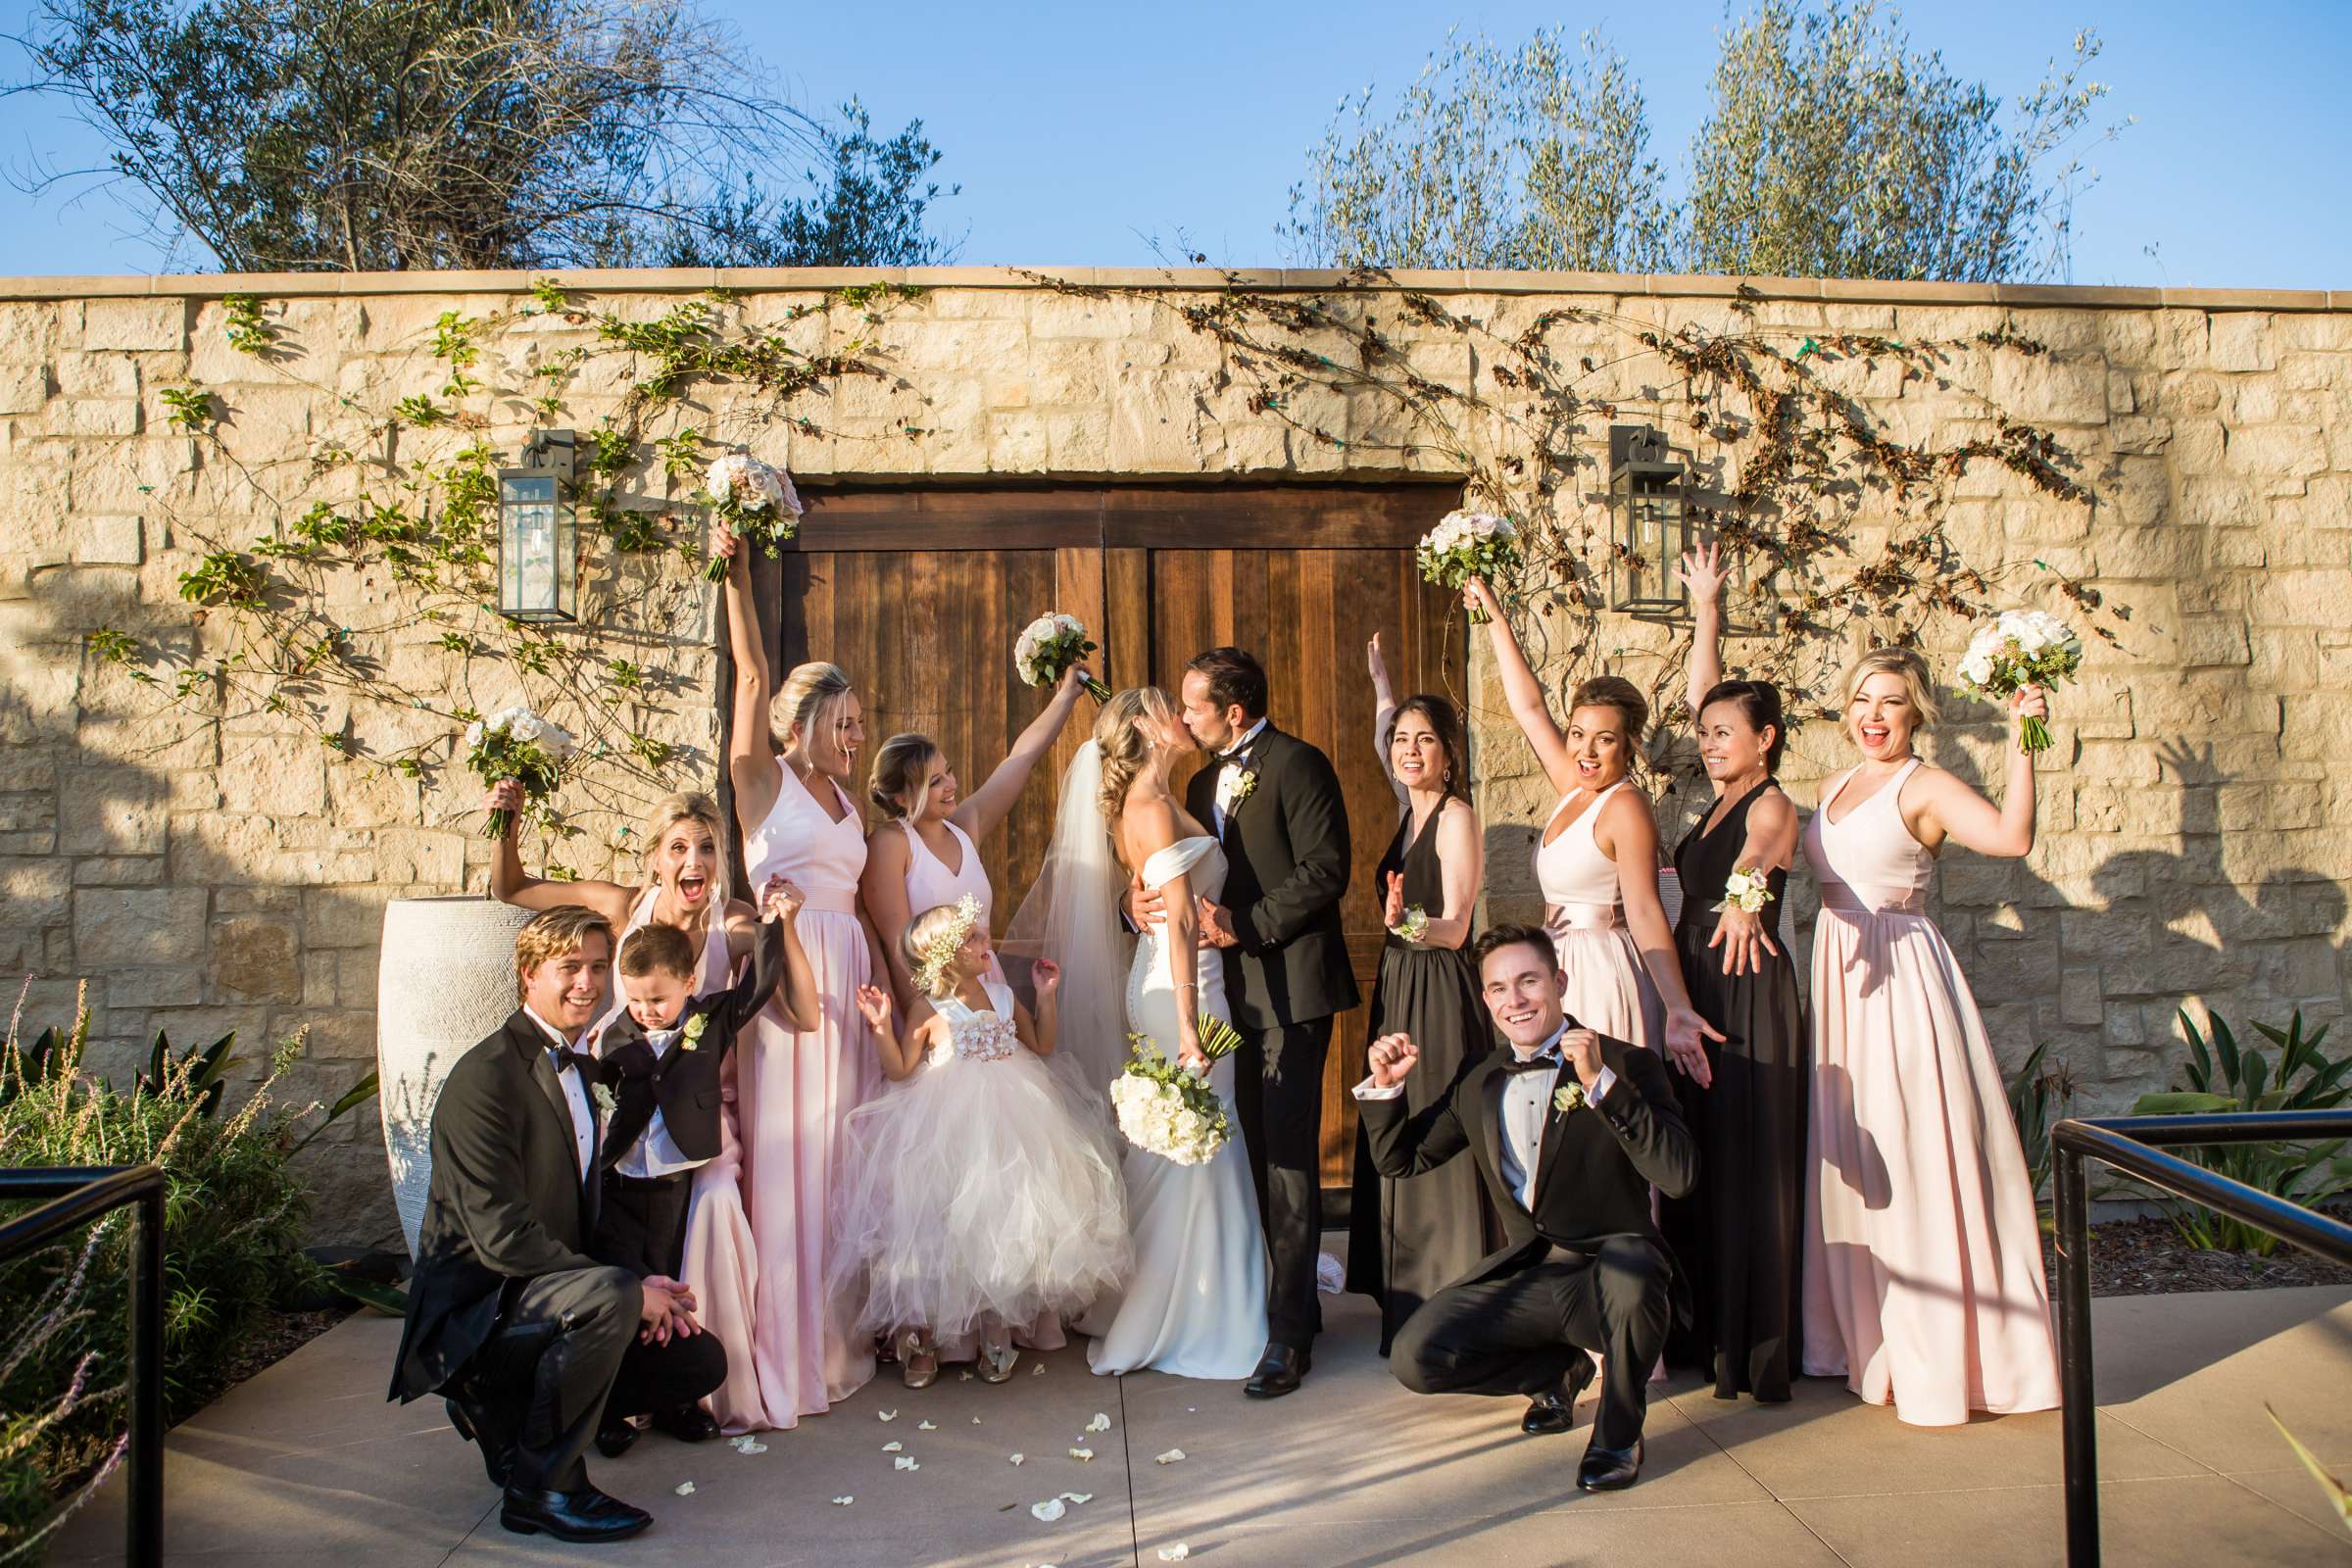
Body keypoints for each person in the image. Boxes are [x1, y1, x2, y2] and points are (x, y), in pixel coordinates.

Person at [388, 906, 719, 1544]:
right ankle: (543, 1487)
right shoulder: (486, 1079)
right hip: (478, 1311)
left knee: (697, 1360)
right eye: (569, 968)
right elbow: (501, 1236)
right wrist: (620, 1290)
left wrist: (638, 1280)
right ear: (529, 974)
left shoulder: (586, 1069)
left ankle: (512, 1411)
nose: (587, 983)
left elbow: (583, 1213)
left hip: (544, 1294)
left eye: (598, 968)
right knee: (612, 1300)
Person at [1801, 646, 2062, 1426]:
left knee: (1914, 1157)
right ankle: (1865, 1345)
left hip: (1902, 982)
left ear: (1916, 712)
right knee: (1852, 1156)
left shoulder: (1928, 785)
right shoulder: (1833, 785)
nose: (1872, 716)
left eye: (1889, 703)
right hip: (1838, 985)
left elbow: (2013, 838)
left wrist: (2028, 738)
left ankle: (1943, 1355)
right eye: (1861, 702)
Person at [1356, 925, 1698, 1493]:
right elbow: (1402, 1160)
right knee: (1416, 1357)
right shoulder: (1478, 1076)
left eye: (1528, 982)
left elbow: (1678, 1176)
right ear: (1485, 999)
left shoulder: (1628, 1064)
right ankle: (1557, 1373)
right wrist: (1387, 1087)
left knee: (1634, 1268)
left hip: (1614, 1275)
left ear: (1559, 982)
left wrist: (1602, 1086)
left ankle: (1617, 1434)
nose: (1513, 1001)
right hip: (1534, 1278)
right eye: (1497, 989)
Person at [1129, 647, 1355, 1398]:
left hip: (1292, 992)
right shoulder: (1196, 782)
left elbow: (1325, 870)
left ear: (1232, 709)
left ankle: (1290, 1336)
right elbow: (1177, 879)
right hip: (1226, 999)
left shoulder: (1299, 763)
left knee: (1289, 1161)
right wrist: (1133, 906)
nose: (1182, 716)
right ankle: (1269, 1301)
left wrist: (1245, 923)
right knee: (1248, 1156)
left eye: (1192, 705)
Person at [710, 520, 886, 1428]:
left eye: (860, 722)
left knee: (841, 1158)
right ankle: (784, 1353)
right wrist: (737, 573)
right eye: (845, 722)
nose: (858, 735)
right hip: (787, 982)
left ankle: (837, 1342)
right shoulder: (759, 781)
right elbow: (747, 674)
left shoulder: (849, 800)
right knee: (786, 1160)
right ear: (803, 722)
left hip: (848, 972)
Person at [827, 898, 1130, 1387]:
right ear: (946, 956)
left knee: (1000, 1224)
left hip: (1013, 1121)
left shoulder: (1004, 996)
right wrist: (882, 1026)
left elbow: (1043, 1046)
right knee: (936, 1226)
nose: (984, 941)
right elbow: (900, 1070)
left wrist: (1045, 994)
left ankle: (996, 1332)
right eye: (972, 938)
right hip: (946, 1126)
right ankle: (923, 1338)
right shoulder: (928, 1008)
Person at [1071, 687, 1271, 1380]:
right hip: (1183, 989)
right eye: (1167, 709)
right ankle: (1199, 1311)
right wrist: (1191, 1028)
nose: (1182, 718)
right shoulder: (1152, 808)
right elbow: (1183, 922)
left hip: (1163, 981)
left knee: (1177, 1151)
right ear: (1145, 730)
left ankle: (1180, 1292)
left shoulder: (1154, 798)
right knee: (1199, 1147)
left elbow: (1158, 904)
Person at [1657, 544, 1810, 1403]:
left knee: (1747, 1167)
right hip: (1703, 987)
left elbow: (1759, 859)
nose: (1711, 741)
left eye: (1726, 733)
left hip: (1747, 995)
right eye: (1707, 733)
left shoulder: (1772, 802)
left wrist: (1746, 899)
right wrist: (1706, 609)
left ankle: (1750, 1350)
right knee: (1703, 1161)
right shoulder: (1716, 792)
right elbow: (1701, 695)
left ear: (1766, 740)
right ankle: (1705, 1326)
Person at [1465, 577, 1719, 1080]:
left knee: (1599, 1099)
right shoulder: (1575, 791)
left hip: (1602, 971)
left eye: (1604, 740)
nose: (1585, 750)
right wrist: (1494, 616)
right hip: (1554, 962)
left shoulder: (1624, 807)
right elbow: (1530, 710)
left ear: (1628, 747)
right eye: (1578, 734)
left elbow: (1646, 911)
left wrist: (1677, 1006)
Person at [588, 876, 804, 1457]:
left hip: (680, 1182)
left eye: (657, 1000)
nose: (646, 1012)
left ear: (688, 984)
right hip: (626, 1183)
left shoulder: (708, 1019)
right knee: (632, 1289)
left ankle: (675, 1397)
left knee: (675, 1290)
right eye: (635, 999)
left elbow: (759, 987)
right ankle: (613, 1405)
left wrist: (774, 926)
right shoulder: (612, 1035)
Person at [1346, 633, 1494, 1354]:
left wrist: (1404, 919)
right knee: (1393, 1119)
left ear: (1448, 752)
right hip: (1401, 981)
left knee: (1431, 1123)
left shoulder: (1456, 816)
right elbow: (1385, 738)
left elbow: (1460, 924)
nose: (1408, 750)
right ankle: (1406, 1299)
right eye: (1402, 739)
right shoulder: (1408, 808)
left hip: (1436, 986)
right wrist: (1383, 681)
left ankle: (1450, 1296)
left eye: (1424, 740)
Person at [861, 664, 1094, 1009]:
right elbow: (898, 948)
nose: (950, 786)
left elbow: (1021, 759)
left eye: (948, 772)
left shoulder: (965, 826)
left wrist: (1066, 695)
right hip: (934, 1004)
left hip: (990, 993)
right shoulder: (891, 844)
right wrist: (927, 1023)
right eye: (934, 782)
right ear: (901, 797)